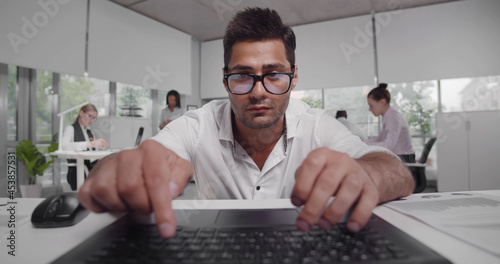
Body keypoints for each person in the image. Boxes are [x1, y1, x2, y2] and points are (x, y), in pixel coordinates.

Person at [79, 8, 414, 239]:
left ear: (294, 78)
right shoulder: (197, 125)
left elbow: (395, 171)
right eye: (242, 76)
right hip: (217, 246)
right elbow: (137, 160)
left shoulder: (315, 125)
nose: (257, 92)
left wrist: (367, 174)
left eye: (273, 75)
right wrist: (116, 169)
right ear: (225, 80)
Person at [61, 103, 109, 190]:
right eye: (90, 116)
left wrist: (99, 145)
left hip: (91, 167)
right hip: (78, 171)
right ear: (81, 113)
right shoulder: (71, 129)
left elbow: (92, 151)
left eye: (94, 118)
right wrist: (88, 144)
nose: (92, 120)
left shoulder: (89, 132)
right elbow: (64, 146)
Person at [364, 83, 415, 163]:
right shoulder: (389, 116)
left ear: (382, 102)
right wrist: (363, 142)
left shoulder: (393, 118)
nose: (370, 109)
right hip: (400, 157)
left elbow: (389, 146)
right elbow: (379, 139)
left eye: (371, 105)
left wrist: (365, 145)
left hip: (403, 160)